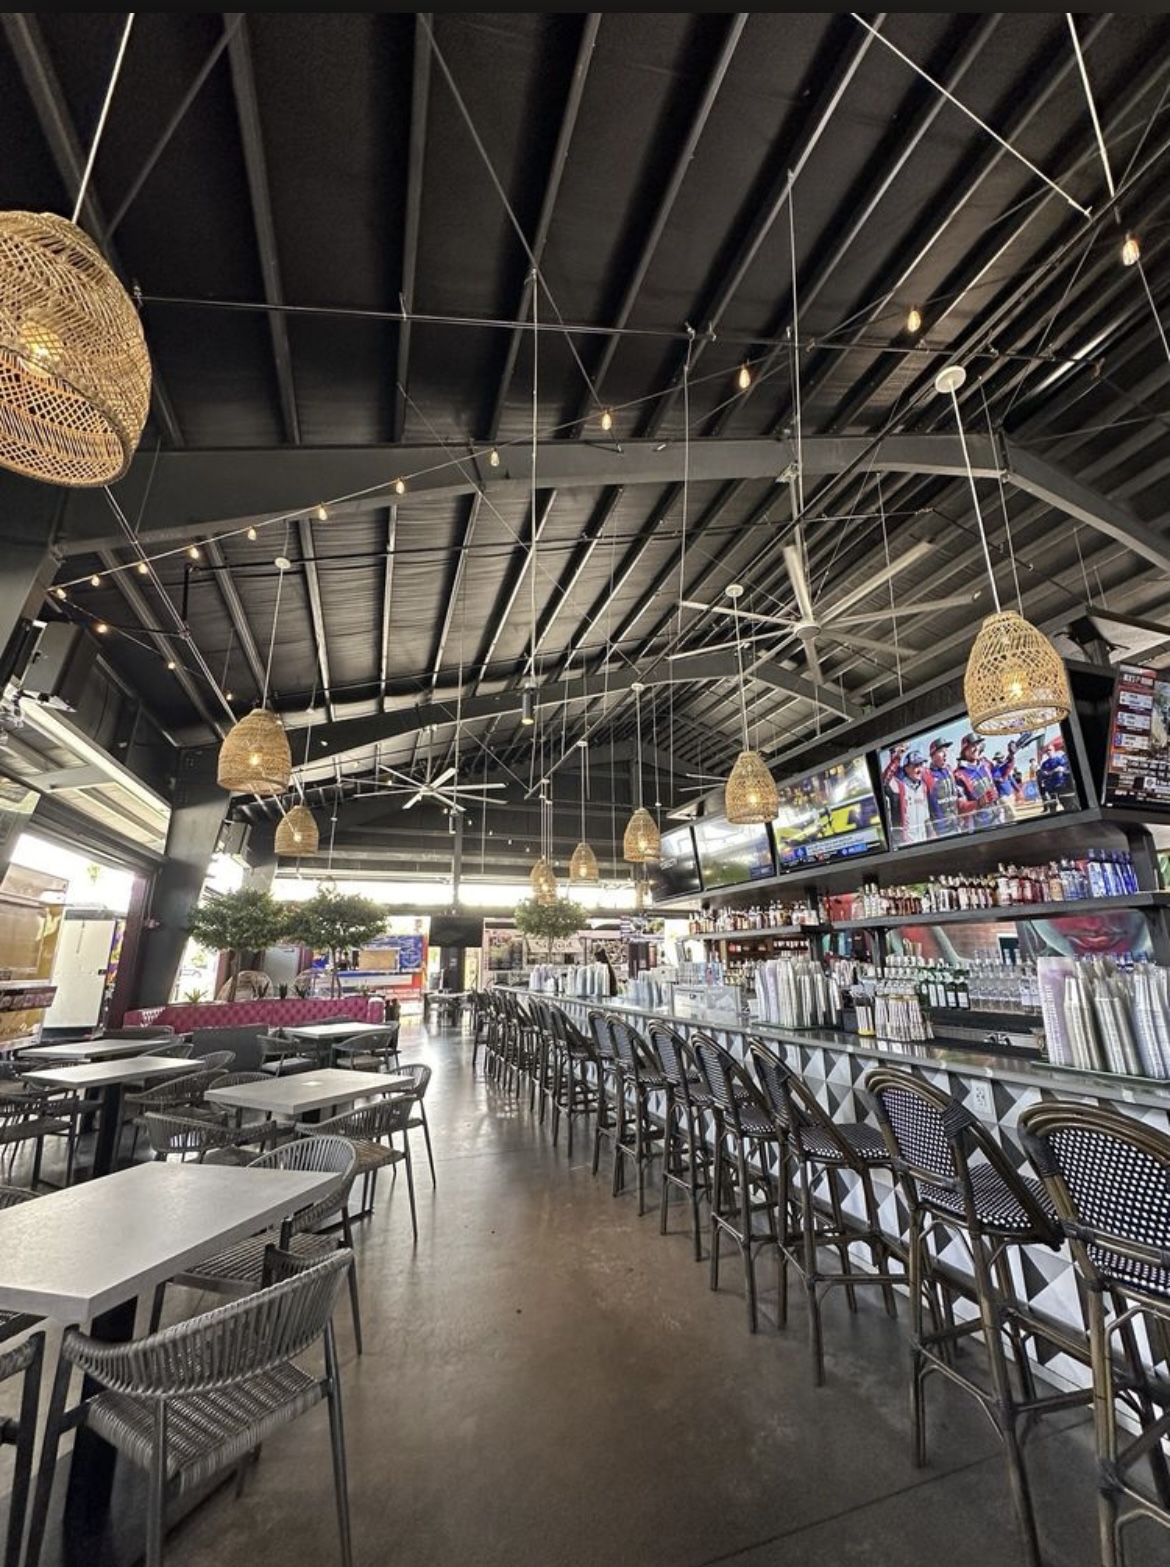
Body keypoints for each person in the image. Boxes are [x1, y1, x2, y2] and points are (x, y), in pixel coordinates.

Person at [882, 745, 931, 846]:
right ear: (907, 768)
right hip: (904, 844)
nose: (919, 769)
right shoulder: (899, 786)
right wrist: (897, 758)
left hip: (923, 841)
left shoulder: (923, 787)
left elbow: (926, 818)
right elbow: (884, 781)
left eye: (921, 765)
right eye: (916, 766)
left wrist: (932, 835)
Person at [953, 731, 1002, 830]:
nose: (976, 748)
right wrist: (979, 803)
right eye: (972, 746)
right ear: (964, 750)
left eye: (977, 744)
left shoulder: (985, 763)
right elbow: (960, 807)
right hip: (979, 826)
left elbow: (1001, 775)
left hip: (997, 817)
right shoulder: (959, 774)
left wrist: (1011, 757)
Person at [924, 736, 961, 838]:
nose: (945, 754)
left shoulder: (949, 770)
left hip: (957, 825)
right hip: (941, 831)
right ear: (932, 755)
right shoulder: (927, 774)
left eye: (946, 750)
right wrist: (931, 830)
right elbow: (923, 806)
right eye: (941, 751)